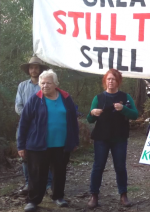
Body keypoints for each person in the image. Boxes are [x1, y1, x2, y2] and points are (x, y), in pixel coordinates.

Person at [17, 69, 79, 212]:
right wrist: (21, 145)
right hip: (38, 145)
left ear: (55, 84)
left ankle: (58, 196)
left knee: (59, 172)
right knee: (37, 174)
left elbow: (73, 121)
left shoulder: (65, 98)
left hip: (61, 144)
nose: (45, 86)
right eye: (42, 83)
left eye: (48, 83)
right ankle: (33, 200)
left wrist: (74, 140)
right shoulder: (34, 99)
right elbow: (24, 123)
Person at [86, 69, 139, 209]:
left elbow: (135, 115)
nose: (111, 81)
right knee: (98, 167)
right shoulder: (98, 98)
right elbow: (89, 119)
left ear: (118, 81)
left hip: (119, 137)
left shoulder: (125, 97)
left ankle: (123, 195)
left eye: (113, 79)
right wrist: (92, 113)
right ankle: (94, 195)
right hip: (101, 137)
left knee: (120, 167)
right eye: (108, 79)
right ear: (105, 81)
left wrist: (124, 109)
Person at [15, 56, 52, 195]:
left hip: (43, 126)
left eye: (36, 67)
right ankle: (28, 184)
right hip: (25, 125)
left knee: (46, 153)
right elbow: (18, 105)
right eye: (31, 67)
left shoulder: (45, 85)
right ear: (28, 70)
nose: (34, 70)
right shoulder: (22, 86)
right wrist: (28, 117)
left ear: (40, 70)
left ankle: (48, 185)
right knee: (24, 155)